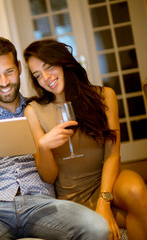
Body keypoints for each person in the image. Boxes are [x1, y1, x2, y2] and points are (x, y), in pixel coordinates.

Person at [0, 37, 109, 240]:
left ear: (20, 68)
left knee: (97, 227)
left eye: (9, 72)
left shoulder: (39, 109)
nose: (4, 82)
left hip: (41, 204)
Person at [23, 39, 147, 240]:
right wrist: (44, 147)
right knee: (137, 216)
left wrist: (104, 202)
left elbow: (113, 154)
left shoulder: (105, 96)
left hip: (108, 182)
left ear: (63, 62)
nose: (46, 78)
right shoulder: (34, 111)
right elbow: (49, 177)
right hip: (73, 197)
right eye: (38, 75)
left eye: (49, 67)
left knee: (136, 191)